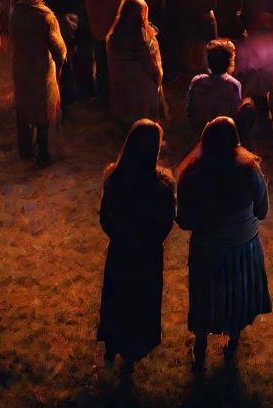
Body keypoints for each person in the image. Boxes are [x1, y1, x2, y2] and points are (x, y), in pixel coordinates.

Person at [177, 116, 271, 371]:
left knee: (205, 295)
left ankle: (200, 346)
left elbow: (183, 220)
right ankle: (233, 342)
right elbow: (262, 211)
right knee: (237, 294)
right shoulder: (250, 170)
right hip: (243, 247)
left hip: (207, 248)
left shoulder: (193, 173)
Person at [97, 119, 176, 374]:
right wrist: (149, 241)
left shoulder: (114, 179)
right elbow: (165, 223)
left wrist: (121, 236)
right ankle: (132, 350)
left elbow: (105, 218)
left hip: (121, 251)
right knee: (140, 300)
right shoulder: (162, 186)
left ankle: (112, 343)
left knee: (117, 296)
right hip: (147, 255)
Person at [10, 0, 67, 166]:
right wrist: (60, 64)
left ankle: (25, 150)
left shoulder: (15, 10)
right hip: (41, 70)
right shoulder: (46, 17)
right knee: (44, 110)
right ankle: (44, 153)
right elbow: (59, 49)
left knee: (24, 106)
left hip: (20, 66)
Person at [106, 0, 164, 126]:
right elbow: (152, 67)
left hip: (122, 90)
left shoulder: (113, 37)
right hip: (142, 94)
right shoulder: (141, 42)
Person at [186, 39, 250, 138]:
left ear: (208, 61)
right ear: (230, 62)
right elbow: (235, 115)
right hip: (225, 132)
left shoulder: (197, 81)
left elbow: (190, 108)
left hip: (200, 130)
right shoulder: (234, 85)